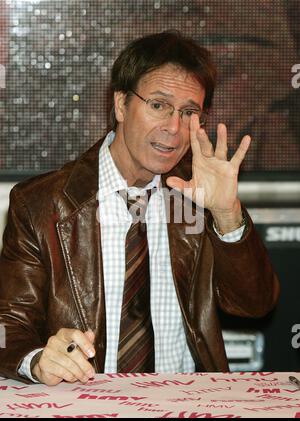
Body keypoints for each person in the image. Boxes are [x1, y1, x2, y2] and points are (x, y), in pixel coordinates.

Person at [0, 31, 279, 385]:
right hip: (85, 406)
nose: (174, 129)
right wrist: (39, 359)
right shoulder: (40, 203)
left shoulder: (199, 196)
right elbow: (8, 327)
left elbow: (255, 305)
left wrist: (227, 213)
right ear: (120, 105)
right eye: (159, 105)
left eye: (189, 111)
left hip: (185, 407)